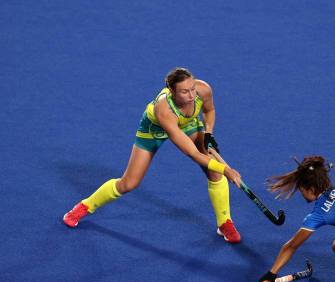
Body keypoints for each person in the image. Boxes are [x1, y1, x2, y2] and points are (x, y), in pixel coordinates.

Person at [63, 67, 243, 243]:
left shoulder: (203, 90)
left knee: (214, 173)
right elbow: (193, 153)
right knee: (129, 183)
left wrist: (209, 133)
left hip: (187, 123)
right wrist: (226, 169)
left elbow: (209, 111)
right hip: (154, 130)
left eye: (192, 89)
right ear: (171, 91)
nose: (191, 96)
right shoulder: (163, 110)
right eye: (184, 92)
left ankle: (224, 222)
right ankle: (84, 206)